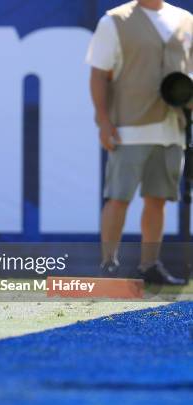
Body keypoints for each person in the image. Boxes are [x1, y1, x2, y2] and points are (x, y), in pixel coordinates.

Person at [87, 0, 192, 285]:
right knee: (118, 198)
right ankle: (108, 265)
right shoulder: (114, 20)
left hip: (172, 129)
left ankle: (150, 266)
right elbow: (99, 74)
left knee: (158, 200)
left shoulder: (185, 20)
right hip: (128, 128)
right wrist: (103, 121)